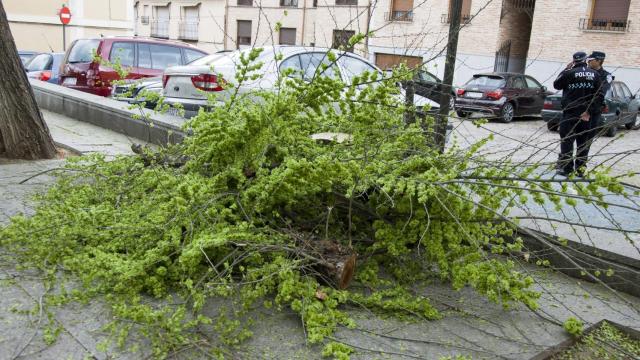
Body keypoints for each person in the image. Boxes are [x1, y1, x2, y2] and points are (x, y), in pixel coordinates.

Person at [553, 51, 603, 177]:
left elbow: (556, 84)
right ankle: (580, 169)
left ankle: (567, 168)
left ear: (574, 61)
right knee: (583, 142)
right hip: (586, 115)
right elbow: (599, 96)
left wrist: (565, 69)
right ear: (586, 60)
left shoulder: (569, 73)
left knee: (567, 141)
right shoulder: (595, 75)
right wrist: (589, 111)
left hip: (570, 113)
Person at [587, 51, 614, 137]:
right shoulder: (584, 72)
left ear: (599, 61)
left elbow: (601, 92)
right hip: (580, 107)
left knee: (588, 137)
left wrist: (589, 109)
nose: (588, 61)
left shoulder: (606, 76)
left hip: (594, 109)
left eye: (591, 60)